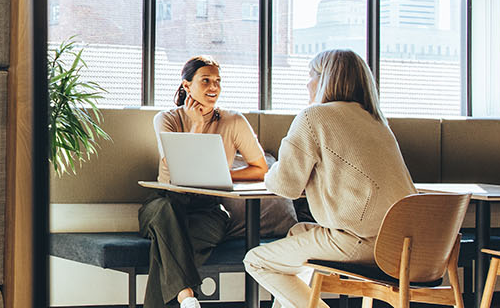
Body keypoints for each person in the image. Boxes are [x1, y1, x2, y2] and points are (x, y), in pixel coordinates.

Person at [243, 49, 416, 308]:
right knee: (297, 234)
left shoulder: (314, 117)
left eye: (311, 74)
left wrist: (269, 170)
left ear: (326, 79)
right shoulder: (378, 122)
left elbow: (285, 186)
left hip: (359, 242)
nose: (307, 82)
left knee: (256, 260)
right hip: (400, 245)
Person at [140, 55, 294, 308]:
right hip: (164, 204)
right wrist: (198, 125)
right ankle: (187, 298)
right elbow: (176, 166)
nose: (214, 87)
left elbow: (260, 168)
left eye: (217, 81)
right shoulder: (166, 119)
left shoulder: (233, 121)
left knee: (168, 248)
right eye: (206, 81)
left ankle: (186, 297)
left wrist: (220, 173)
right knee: (165, 214)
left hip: (208, 212)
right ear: (187, 86)